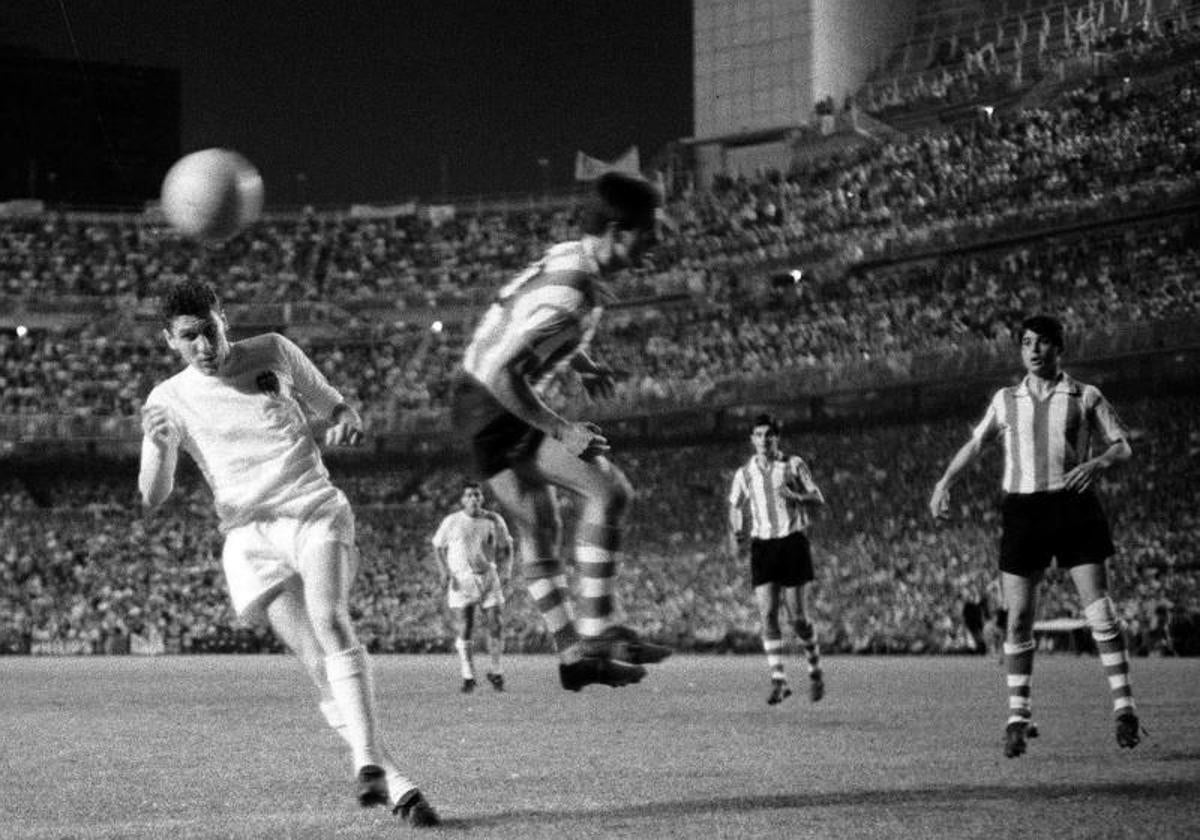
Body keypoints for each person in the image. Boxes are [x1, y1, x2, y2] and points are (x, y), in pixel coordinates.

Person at [138, 279, 439, 826]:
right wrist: (159, 446)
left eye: (209, 330)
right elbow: (152, 496)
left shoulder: (274, 350)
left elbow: (336, 405)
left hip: (312, 508)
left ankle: (366, 759)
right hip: (250, 538)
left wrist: (346, 419)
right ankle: (396, 784)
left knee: (330, 617)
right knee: (317, 665)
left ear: (223, 318)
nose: (203, 346)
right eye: (189, 338)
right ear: (170, 341)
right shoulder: (166, 400)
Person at [451, 171, 673, 692]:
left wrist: (580, 361)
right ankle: (598, 630)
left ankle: (575, 659)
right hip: (491, 403)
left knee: (540, 528)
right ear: (618, 229)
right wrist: (561, 428)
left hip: (473, 401)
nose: (655, 243)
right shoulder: (570, 293)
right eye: (649, 230)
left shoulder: (570, 257)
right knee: (606, 489)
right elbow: (507, 371)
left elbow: (524, 320)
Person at [929, 314, 1141, 758]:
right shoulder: (1006, 399)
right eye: (1026, 343)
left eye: (1043, 343)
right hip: (1023, 510)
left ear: (1059, 348)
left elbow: (1123, 445)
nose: (1034, 350)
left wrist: (1098, 463)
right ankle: (1018, 717)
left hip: (1073, 505)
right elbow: (976, 443)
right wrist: (945, 482)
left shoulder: (1085, 395)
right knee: (1019, 615)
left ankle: (1124, 708)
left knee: (1098, 608)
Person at [727, 413, 827, 705]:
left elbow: (817, 496)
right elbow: (735, 505)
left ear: (776, 439)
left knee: (798, 619)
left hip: (792, 542)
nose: (762, 440)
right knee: (767, 614)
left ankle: (815, 668)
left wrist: (795, 495)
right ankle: (779, 680)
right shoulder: (745, 474)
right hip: (763, 546)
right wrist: (737, 529)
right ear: (752, 440)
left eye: (768, 435)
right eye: (757, 435)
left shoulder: (793, 465)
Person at [432, 482, 514, 693]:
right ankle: (468, 676)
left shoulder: (494, 519)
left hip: (488, 576)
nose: (474, 499)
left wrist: (507, 570)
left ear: (482, 498)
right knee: (465, 626)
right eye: (469, 495)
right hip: (462, 579)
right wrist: (444, 572)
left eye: (477, 495)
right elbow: (438, 546)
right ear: (462, 500)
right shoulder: (452, 521)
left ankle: (496, 672)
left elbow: (507, 545)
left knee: (496, 623)